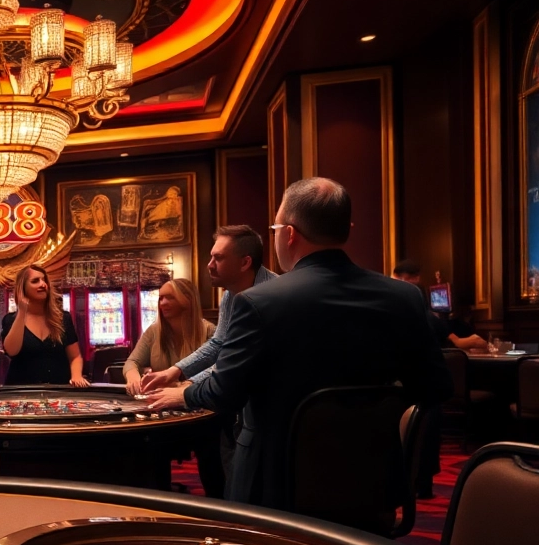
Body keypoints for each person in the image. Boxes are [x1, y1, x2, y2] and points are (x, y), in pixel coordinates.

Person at [147, 177, 452, 510]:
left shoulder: (258, 302)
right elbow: (436, 389)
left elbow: (224, 393)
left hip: (276, 488)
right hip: (371, 482)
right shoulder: (405, 297)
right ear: (345, 229)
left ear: (289, 234)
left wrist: (183, 393)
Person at [142, 226, 277, 392]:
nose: (209, 265)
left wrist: (187, 385)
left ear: (245, 263)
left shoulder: (271, 297)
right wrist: (174, 371)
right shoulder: (230, 295)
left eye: (218, 258)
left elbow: (239, 361)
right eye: (211, 257)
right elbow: (218, 344)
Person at [123, 278, 214, 397]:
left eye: (170, 297)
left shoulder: (209, 331)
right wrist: (133, 377)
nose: (163, 303)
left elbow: (218, 370)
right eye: (161, 298)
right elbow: (132, 362)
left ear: (188, 300)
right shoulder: (153, 331)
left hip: (196, 401)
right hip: (161, 401)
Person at [0, 264, 89, 387]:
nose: (43, 284)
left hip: (59, 390)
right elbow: (12, 351)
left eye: (44, 280)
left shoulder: (63, 318)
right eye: (35, 281)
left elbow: (75, 356)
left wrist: (76, 376)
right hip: (21, 393)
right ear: (23, 288)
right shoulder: (10, 320)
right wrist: (21, 312)